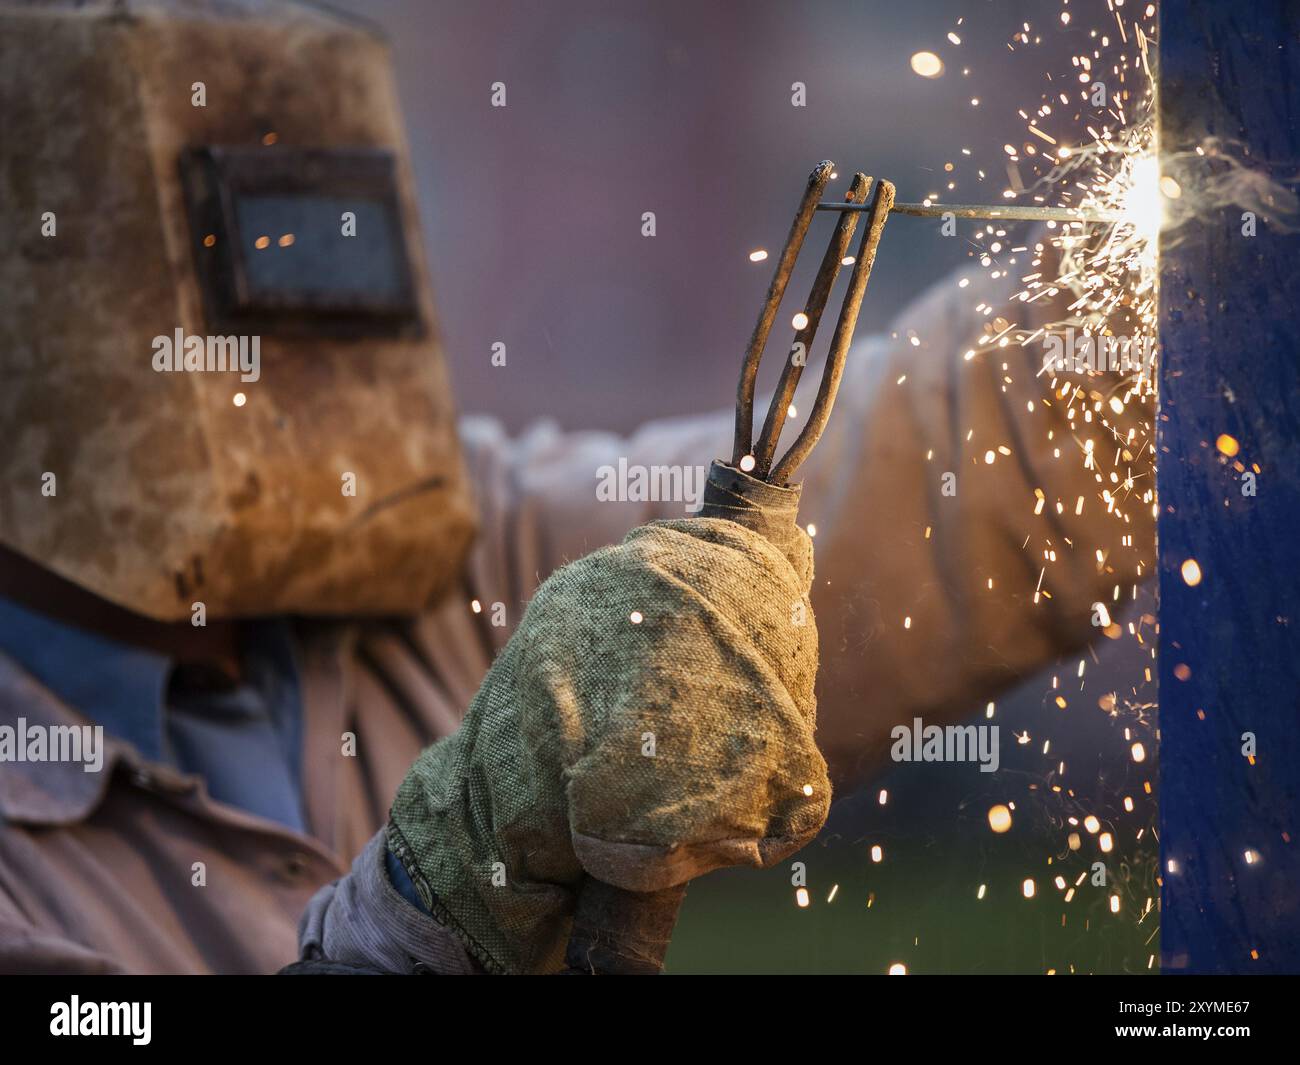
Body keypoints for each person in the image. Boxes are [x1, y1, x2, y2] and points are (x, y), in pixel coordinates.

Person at [0, 0, 1149, 974]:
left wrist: (1145, 313)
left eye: (331, 257)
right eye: (247, 280)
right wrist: (430, 902)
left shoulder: (460, 548)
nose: (308, 349)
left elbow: (916, 479)